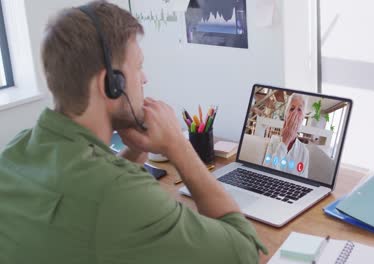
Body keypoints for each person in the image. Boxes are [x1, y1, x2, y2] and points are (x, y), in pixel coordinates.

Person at [0, 1, 266, 263]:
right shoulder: (119, 196)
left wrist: (138, 147)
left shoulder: (16, 153)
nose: (144, 78)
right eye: (138, 66)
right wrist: (178, 146)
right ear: (111, 84)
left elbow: (90, 188)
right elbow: (244, 251)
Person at [263, 93, 309, 178]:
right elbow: (266, 174)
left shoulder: (304, 152)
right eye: (292, 109)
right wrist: (285, 142)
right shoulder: (274, 141)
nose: (295, 113)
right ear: (286, 116)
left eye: (299, 110)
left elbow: (302, 184)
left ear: (302, 118)